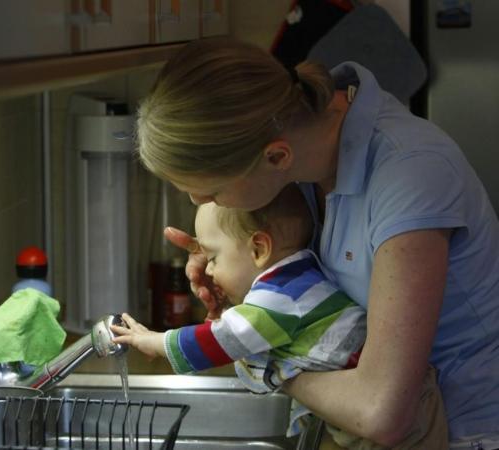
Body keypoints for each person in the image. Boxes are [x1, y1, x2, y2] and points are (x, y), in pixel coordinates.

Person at [133, 37, 499, 449]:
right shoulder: (303, 155)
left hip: (463, 434)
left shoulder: (410, 178)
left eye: (213, 192)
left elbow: (382, 412)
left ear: (276, 157)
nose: (200, 203)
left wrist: (266, 361)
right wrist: (234, 266)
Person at [113, 185, 448, 448]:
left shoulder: (281, 297)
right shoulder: (293, 278)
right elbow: (242, 328)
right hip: (390, 407)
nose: (209, 269)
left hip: (407, 424)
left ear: (259, 249)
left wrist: (155, 341)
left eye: (213, 256)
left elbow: (223, 339)